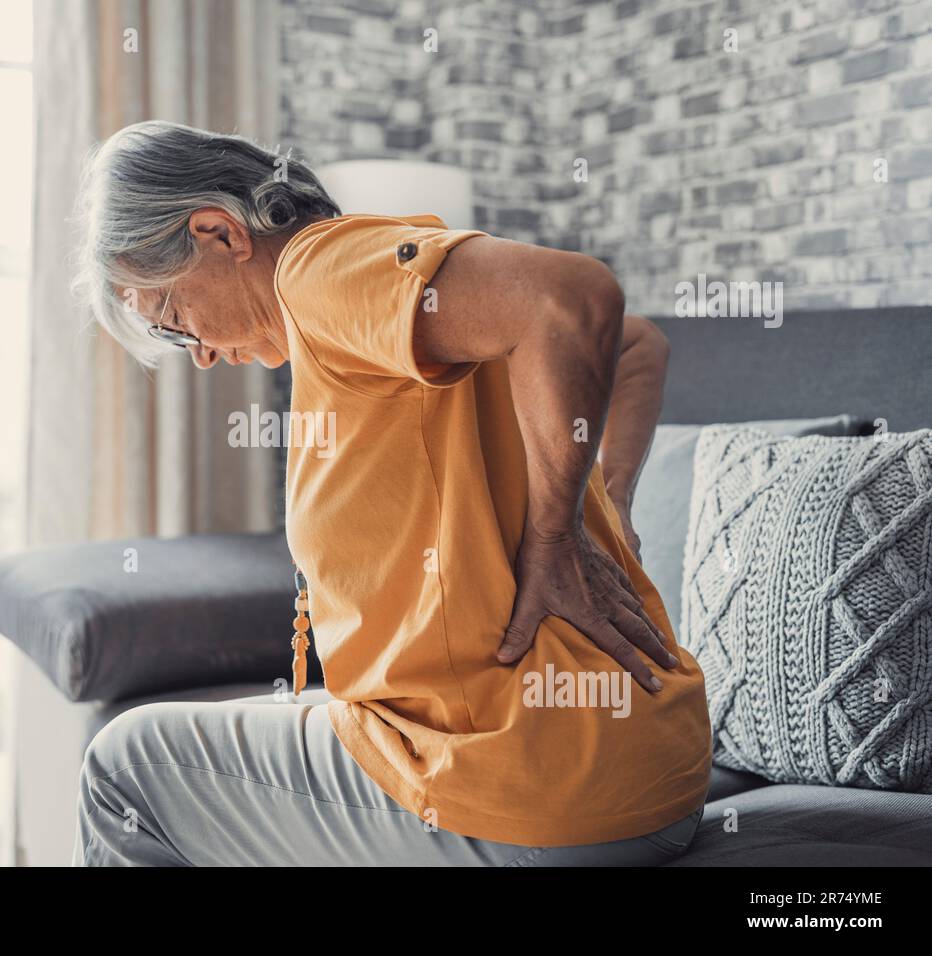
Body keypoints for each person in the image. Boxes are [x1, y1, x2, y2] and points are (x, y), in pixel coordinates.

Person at [68, 120, 711, 866]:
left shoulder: (319, 271)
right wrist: (613, 509)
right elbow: (636, 347)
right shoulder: (392, 301)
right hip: (647, 772)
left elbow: (574, 298)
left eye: (174, 320)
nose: (203, 356)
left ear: (219, 232)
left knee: (124, 767)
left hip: (534, 793)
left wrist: (556, 538)